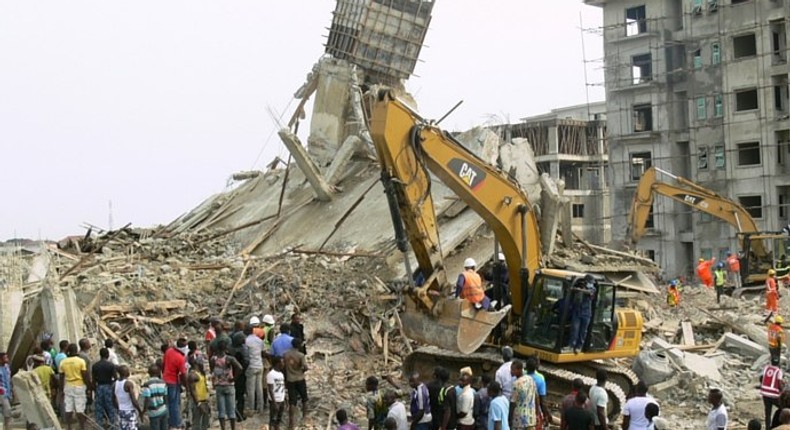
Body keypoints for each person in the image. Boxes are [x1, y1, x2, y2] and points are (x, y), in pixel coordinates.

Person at [211, 341, 243, 430]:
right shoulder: (229, 358)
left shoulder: (213, 359)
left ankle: (223, 428)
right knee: (231, 410)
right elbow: (240, 368)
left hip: (219, 386)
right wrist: (233, 379)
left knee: (221, 411)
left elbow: (212, 371)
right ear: (226, 349)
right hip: (229, 385)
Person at [60, 343, 89, 430]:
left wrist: (61, 390)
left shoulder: (63, 362)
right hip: (79, 386)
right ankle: (82, 427)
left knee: (68, 408)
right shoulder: (80, 361)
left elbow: (61, 377)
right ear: (76, 350)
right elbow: (84, 375)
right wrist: (89, 387)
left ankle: (69, 427)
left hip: (68, 386)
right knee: (80, 409)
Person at [162, 338, 188, 429]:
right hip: (173, 382)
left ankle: (167, 423)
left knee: (167, 403)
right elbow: (183, 375)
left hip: (165, 380)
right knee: (174, 403)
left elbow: (163, 364)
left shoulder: (169, 351)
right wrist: (187, 387)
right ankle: (175, 424)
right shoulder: (180, 358)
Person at [284, 338, 309, 429]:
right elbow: (305, 367)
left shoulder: (286, 354)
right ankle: (304, 417)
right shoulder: (301, 355)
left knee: (292, 401)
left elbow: (284, 366)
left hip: (290, 379)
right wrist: (302, 370)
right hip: (300, 378)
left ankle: (291, 422)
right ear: (298, 345)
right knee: (304, 398)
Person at [92, 348, 117, 429]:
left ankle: (99, 426)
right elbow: (115, 378)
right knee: (110, 407)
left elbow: (93, 380)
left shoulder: (95, 366)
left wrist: (94, 390)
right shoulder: (111, 365)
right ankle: (112, 425)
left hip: (99, 387)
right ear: (107, 355)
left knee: (99, 407)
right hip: (108, 387)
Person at [570, 275, 596, 354]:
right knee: (575, 329)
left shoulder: (592, 289)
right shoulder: (580, 286)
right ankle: (571, 345)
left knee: (583, 331)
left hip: (586, 314)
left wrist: (580, 290)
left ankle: (579, 347)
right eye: (590, 283)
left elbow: (589, 292)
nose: (591, 284)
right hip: (577, 312)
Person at [245, 318, 265, 416]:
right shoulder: (259, 340)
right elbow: (262, 351)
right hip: (260, 365)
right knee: (259, 388)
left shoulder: (246, 341)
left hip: (251, 366)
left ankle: (251, 409)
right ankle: (261, 408)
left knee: (251, 389)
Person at [509, 360, 536, 430]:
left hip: (519, 420)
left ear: (519, 370)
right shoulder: (530, 379)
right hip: (531, 418)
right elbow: (536, 396)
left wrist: (509, 418)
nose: (511, 371)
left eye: (513, 370)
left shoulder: (516, 384)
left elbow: (512, 403)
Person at [526, 357, 553, 429]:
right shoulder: (540, 378)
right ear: (537, 366)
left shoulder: (522, 375)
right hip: (534, 410)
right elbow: (542, 401)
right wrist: (546, 415)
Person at [114, 365, 142, 430]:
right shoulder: (128, 384)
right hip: (129, 411)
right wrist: (140, 411)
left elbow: (113, 399)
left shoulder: (115, 384)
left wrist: (118, 408)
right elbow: (133, 400)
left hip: (120, 410)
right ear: (127, 373)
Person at [141, 363, 168, 430]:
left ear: (149, 373)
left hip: (153, 412)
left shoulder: (147, 384)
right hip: (163, 410)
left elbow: (147, 399)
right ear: (159, 373)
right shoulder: (163, 382)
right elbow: (165, 397)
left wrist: (144, 411)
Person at [760, 355, 783, 430]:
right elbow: (779, 383)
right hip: (774, 394)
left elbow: (762, 378)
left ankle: (767, 428)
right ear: (778, 363)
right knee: (783, 408)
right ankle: (780, 424)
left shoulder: (766, 368)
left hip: (765, 393)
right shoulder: (779, 371)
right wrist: (782, 392)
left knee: (768, 413)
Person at [187, 357, 211, 430]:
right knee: (196, 423)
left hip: (204, 400)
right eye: (201, 362)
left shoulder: (201, 373)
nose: (203, 364)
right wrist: (198, 403)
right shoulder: (193, 375)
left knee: (205, 423)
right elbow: (192, 390)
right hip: (197, 401)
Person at [267, 358, 287, 430]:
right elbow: (270, 389)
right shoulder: (271, 374)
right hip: (275, 400)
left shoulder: (281, 374)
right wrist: (274, 402)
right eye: (282, 362)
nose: (283, 364)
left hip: (281, 399)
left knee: (278, 419)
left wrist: (285, 398)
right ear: (278, 363)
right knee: (273, 419)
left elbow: (283, 386)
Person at [0, 352, 12, 430]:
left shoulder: (7, 367)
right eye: (5, 358)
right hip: (1, 393)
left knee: (6, 412)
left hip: (8, 392)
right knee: (8, 411)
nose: (7, 359)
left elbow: (9, 379)